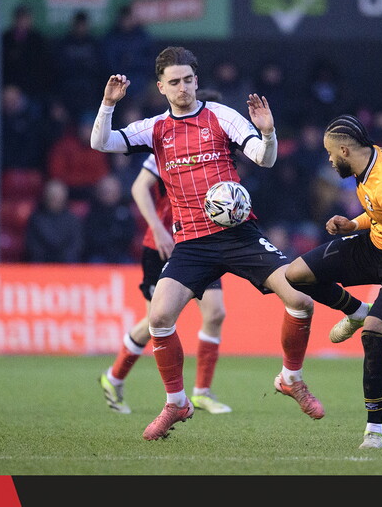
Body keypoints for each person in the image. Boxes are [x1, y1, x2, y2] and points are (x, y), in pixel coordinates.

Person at [90, 46, 323, 441]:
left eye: (189, 80)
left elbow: (263, 159)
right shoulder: (156, 128)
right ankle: (177, 402)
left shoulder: (221, 116)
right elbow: (101, 143)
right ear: (162, 87)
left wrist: (268, 132)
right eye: (174, 82)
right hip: (192, 242)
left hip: (239, 234)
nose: (183, 88)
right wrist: (108, 105)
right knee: (160, 317)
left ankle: (291, 378)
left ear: (197, 81)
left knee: (300, 301)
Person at [284, 114, 382, 449]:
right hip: (375, 243)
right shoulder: (370, 160)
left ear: (344, 150)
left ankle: (374, 431)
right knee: (295, 275)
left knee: (373, 335)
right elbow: (380, 211)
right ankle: (356, 309)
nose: (329, 160)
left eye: (331, 154)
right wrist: (353, 225)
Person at [99, 153, 232, 415]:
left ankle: (202, 393)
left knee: (215, 313)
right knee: (155, 321)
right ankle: (113, 378)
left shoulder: (214, 148)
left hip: (199, 243)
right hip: (162, 245)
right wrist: (158, 229)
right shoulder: (165, 147)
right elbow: (138, 187)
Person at [24, 179, 84, 263]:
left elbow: (76, 245)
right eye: (52, 196)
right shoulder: (36, 219)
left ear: (64, 197)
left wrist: (63, 258)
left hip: (66, 263)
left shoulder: (72, 220)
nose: (55, 200)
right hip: (42, 263)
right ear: (46, 197)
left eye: (58, 196)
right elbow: (32, 245)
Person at [82, 174, 136, 264]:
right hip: (99, 254)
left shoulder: (125, 211)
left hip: (121, 254)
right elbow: (90, 237)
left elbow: (130, 234)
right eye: (105, 192)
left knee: (129, 263)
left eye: (112, 192)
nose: (109, 195)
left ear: (118, 192)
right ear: (99, 193)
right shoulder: (93, 212)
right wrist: (114, 234)